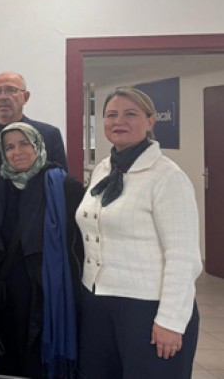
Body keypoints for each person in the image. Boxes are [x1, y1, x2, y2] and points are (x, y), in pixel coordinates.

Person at [77, 88, 202, 379]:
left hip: (147, 308)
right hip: (97, 302)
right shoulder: (103, 169)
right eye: (111, 114)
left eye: (130, 114)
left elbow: (183, 257)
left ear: (150, 120)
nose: (119, 121)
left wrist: (171, 321)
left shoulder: (167, 176)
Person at [0, 122, 84, 379]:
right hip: (8, 296)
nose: (17, 152)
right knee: (10, 362)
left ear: (38, 145)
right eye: (9, 147)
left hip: (47, 292)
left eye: (24, 144)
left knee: (38, 362)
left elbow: (79, 246)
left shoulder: (64, 186)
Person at [0, 72, 67, 200]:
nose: (3, 97)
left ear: (26, 97)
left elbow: (61, 185)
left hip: (36, 211)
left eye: (11, 90)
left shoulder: (49, 135)